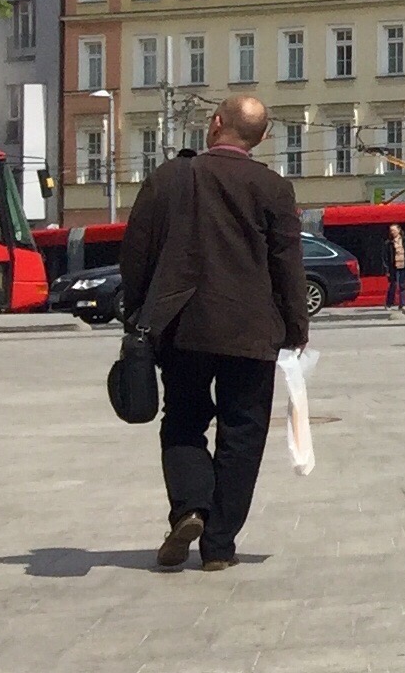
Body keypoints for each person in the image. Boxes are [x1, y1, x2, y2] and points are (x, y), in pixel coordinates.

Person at [117, 93, 310, 571]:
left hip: (182, 327)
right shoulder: (273, 188)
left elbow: (135, 253)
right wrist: (295, 326)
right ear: (263, 138)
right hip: (251, 331)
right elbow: (287, 264)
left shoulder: (168, 178)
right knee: (243, 433)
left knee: (183, 419)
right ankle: (219, 545)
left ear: (215, 123)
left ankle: (189, 508)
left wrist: (140, 314)